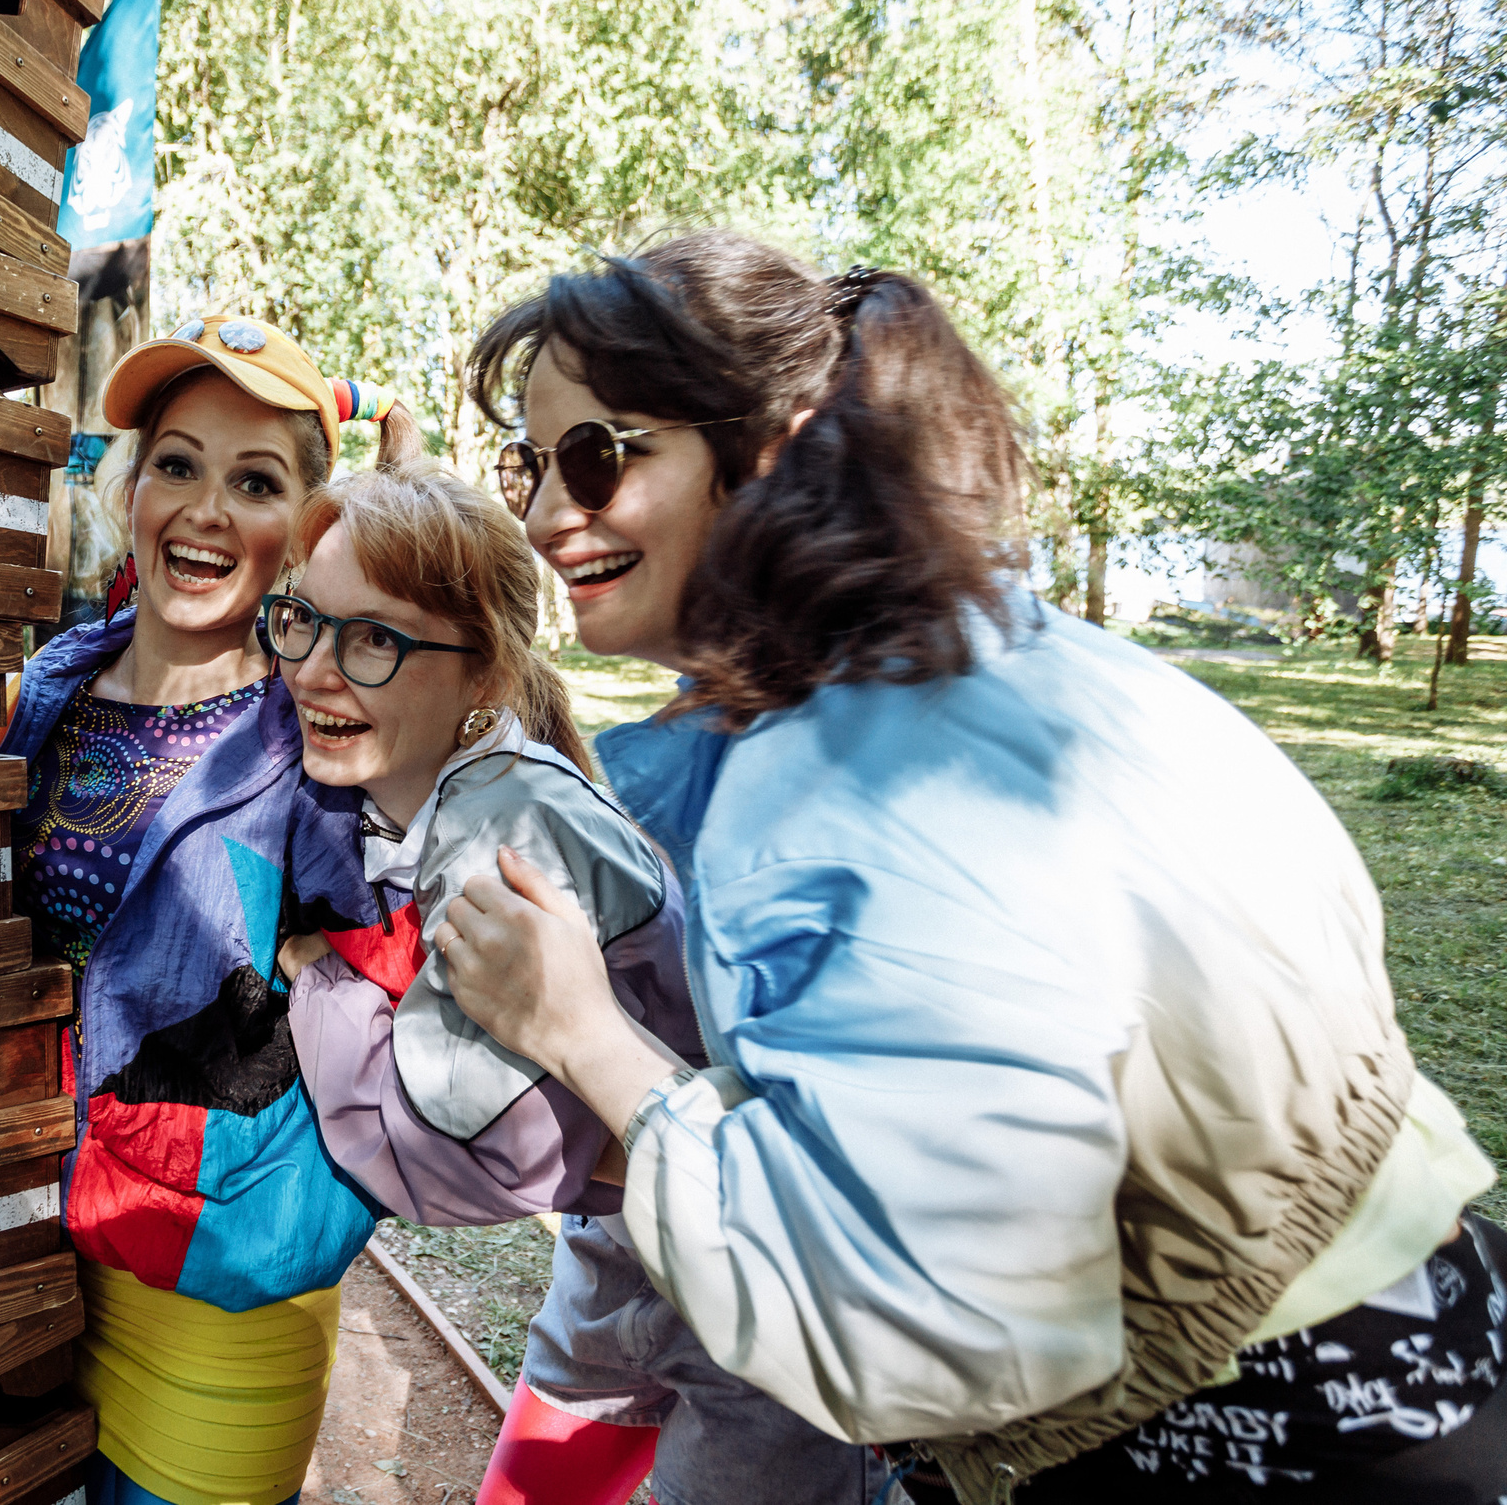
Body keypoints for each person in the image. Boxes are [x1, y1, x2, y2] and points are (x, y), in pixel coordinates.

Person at [430, 231, 1503, 1504]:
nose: (554, 510)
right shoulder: (1015, 658)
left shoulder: (854, 783)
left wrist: (583, 1032)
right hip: (1437, 1337)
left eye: (603, 454)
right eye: (530, 464)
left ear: (769, 446)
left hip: (1257, 1439)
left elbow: (916, 1321)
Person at [270, 462, 889, 1505]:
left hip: (762, 1292)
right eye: (303, 621)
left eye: (375, 638)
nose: (316, 670)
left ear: (483, 675)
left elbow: (444, 1160)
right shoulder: (429, 792)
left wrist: (318, 984)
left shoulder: (501, 838)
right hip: (620, 1264)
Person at [0, 315, 415, 1505]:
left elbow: (402, 961)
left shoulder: (328, 723)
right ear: (132, 487)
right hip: (21, 1236)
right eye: (177, 463)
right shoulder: (56, 682)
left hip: (214, 1266)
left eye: (255, 481)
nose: (205, 510)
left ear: (307, 529)